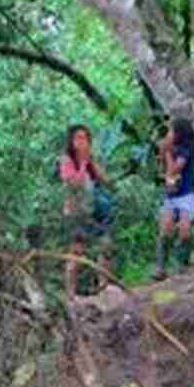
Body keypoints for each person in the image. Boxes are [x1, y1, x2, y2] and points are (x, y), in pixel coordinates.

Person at [57, 124, 113, 300]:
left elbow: (105, 181)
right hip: (76, 213)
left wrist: (92, 163)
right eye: (78, 138)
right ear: (71, 141)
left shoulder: (89, 159)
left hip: (94, 210)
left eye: (85, 138)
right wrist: (82, 163)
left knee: (105, 247)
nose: (83, 142)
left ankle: (104, 288)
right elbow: (74, 183)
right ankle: (70, 295)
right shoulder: (66, 160)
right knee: (76, 252)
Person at [155, 117, 194, 281]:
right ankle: (160, 267)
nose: (168, 134)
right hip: (171, 195)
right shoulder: (172, 148)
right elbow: (163, 169)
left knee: (185, 229)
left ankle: (182, 264)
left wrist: (166, 152)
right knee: (165, 228)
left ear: (179, 133)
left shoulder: (186, 149)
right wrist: (163, 151)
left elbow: (173, 170)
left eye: (171, 131)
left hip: (186, 194)